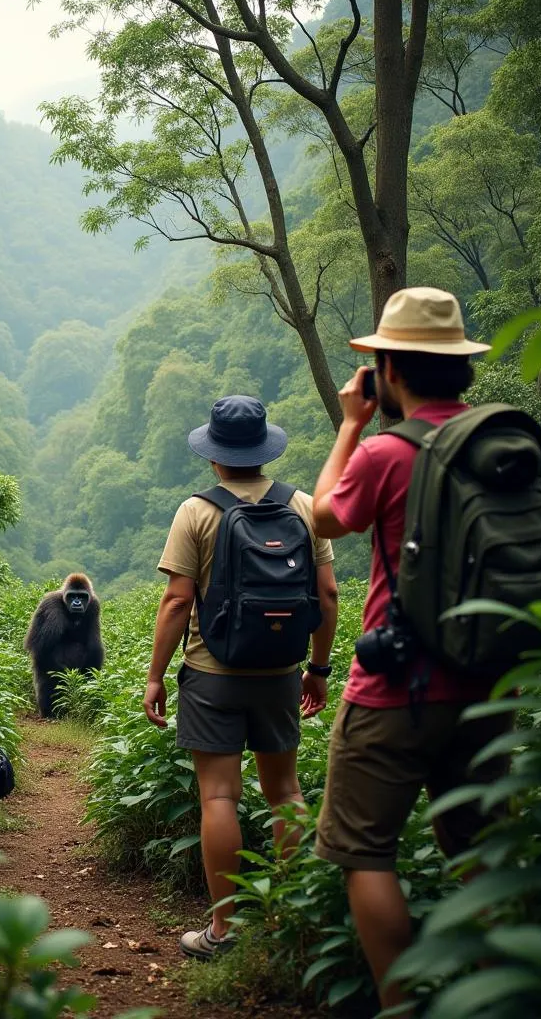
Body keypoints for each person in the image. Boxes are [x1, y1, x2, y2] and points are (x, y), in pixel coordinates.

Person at [311, 287, 509, 1010]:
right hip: (490, 679)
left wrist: (349, 425)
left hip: (398, 688)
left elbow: (326, 519)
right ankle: (501, 996)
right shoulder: (499, 444)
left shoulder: (387, 453)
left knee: (363, 851)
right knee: (484, 854)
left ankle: (402, 1003)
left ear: (388, 368)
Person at [144, 395, 340, 960]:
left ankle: (223, 933)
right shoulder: (303, 505)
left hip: (213, 675)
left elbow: (178, 602)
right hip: (282, 672)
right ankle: (295, 925)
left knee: (220, 796)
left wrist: (156, 676)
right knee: (286, 793)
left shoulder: (197, 511)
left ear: (214, 456)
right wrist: (319, 668)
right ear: (263, 450)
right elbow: (326, 594)